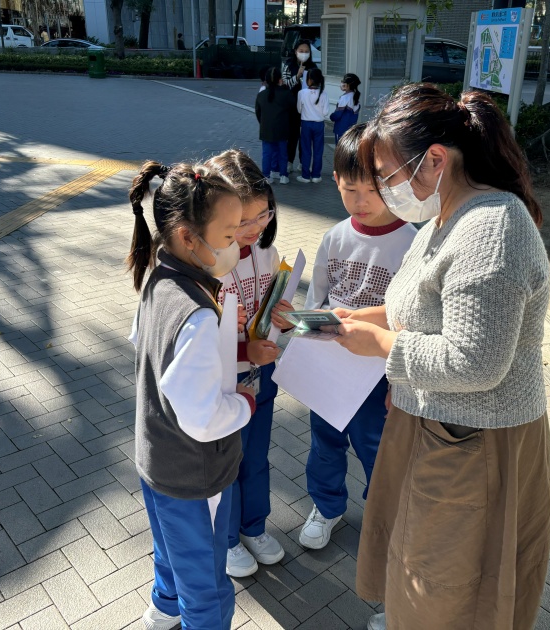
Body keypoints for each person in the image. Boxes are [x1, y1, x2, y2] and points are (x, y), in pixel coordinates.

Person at [330, 84, 550, 630]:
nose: (384, 191)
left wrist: (381, 345)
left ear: (434, 160)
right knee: (421, 568)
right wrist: (362, 317)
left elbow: (475, 360)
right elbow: (419, 305)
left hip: (475, 440)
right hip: (439, 428)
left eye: (387, 175)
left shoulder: (492, 227)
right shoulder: (446, 215)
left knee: (447, 585)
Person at [127, 159, 256, 630]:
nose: (237, 244)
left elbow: (142, 344)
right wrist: (245, 402)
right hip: (194, 474)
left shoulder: (159, 279)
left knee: (171, 551)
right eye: (228, 234)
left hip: (156, 459)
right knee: (206, 583)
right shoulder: (197, 313)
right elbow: (203, 419)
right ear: (188, 237)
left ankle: (163, 609)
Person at [299, 124, 417, 550]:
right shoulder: (334, 237)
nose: (361, 202)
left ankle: (382, 518)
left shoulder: (410, 243)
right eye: (351, 190)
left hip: (379, 374)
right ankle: (326, 506)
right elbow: (317, 299)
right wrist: (303, 343)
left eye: (373, 190)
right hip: (331, 367)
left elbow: (413, 319)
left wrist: (400, 383)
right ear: (336, 181)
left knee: (377, 450)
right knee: (324, 443)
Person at [205, 150, 294, 579]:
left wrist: (282, 318)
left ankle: (253, 527)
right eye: (243, 221)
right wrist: (245, 353)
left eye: (264, 214)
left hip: (262, 376)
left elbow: (269, 307)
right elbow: (198, 345)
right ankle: (225, 539)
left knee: (256, 457)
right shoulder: (206, 263)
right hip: (224, 383)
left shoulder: (266, 250)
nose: (255, 228)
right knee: (227, 463)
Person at [281, 39, 317, 174]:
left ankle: (303, 163)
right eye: (301, 51)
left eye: (306, 51)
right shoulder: (288, 66)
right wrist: (297, 76)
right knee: (292, 135)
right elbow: (285, 86)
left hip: (308, 108)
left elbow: (318, 86)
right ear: (295, 51)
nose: (304, 53)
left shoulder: (313, 67)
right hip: (291, 107)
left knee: (305, 137)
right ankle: (289, 162)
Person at [255, 67, 295, 185]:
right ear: (280, 79)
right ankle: (283, 175)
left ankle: (266, 176)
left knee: (267, 153)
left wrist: (263, 123)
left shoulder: (261, 95)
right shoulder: (286, 94)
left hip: (266, 128)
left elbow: (258, 112)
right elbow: (293, 109)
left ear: (266, 80)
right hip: (282, 128)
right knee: (283, 153)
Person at [296, 67, 328, 184]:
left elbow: (299, 110)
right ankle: (316, 176)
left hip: (306, 124)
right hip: (319, 124)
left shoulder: (301, 93)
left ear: (309, 80)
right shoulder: (324, 94)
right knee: (318, 150)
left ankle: (305, 176)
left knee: (306, 150)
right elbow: (325, 112)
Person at [330, 73, 361, 144]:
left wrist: (331, 116)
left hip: (341, 129)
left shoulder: (344, 98)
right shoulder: (355, 97)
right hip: (351, 130)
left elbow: (337, 115)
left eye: (344, 82)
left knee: (339, 149)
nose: (342, 83)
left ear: (348, 85)